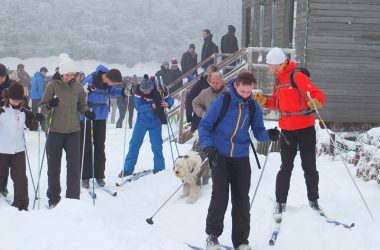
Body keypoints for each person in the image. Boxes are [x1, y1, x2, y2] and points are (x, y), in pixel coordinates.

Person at [199, 70, 279, 250]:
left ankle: (241, 241)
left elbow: (258, 131)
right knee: (220, 197)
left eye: (249, 92)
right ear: (236, 85)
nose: (245, 95)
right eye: (243, 91)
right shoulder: (223, 101)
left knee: (242, 200)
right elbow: (205, 126)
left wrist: (268, 134)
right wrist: (208, 147)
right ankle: (212, 237)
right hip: (220, 154)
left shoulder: (253, 106)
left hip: (241, 157)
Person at [253, 47, 326, 216]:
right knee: (285, 167)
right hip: (287, 129)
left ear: (276, 64)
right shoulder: (278, 80)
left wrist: (316, 101)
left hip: (305, 127)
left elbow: (317, 93)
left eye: (269, 65)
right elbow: (278, 104)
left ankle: (314, 201)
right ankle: (280, 202)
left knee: (309, 166)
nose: (268, 68)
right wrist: (264, 101)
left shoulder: (296, 75)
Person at [39, 53, 95, 208]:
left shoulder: (77, 86)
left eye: (73, 74)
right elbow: (42, 107)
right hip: (55, 131)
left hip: (73, 132)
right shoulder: (52, 86)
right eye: (67, 74)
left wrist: (87, 111)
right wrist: (50, 104)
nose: (71, 77)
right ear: (61, 73)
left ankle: (72, 200)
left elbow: (82, 104)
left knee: (74, 168)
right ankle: (54, 199)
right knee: (54, 168)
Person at [119, 75, 174, 177]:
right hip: (142, 122)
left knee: (157, 146)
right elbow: (138, 107)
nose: (145, 93)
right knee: (134, 145)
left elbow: (170, 99)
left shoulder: (159, 89)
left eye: (147, 91)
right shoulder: (139, 91)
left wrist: (168, 104)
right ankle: (127, 169)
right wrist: (151, 106)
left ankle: (159, 169)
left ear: (151, 88)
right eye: (143, 91)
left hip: (156, 123)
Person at [0, 83, 43, 210]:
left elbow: (33, 126)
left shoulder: (24, 111)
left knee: (20, 179)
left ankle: (21, 203)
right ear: (8, 97)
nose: (16, 103)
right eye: (14, 100)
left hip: (18, 150)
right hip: (1, 149)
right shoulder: (1, 109)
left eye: (19, 100)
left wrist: (37, 119)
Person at [80, 66, 123, 188]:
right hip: (88, 114)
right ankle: (85, 176)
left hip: (101, 116)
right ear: (108, 78)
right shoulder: (91, 79)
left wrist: (124, 92)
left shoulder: (109, 83)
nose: (113, 85)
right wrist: (85, 90)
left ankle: (99, 175)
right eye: (114, 83)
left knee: (100, 146)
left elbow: (114, 91)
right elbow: (79, 94)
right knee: (86, 146)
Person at [185, 65, 219, 132]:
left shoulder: (219, 85)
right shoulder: (200, 84)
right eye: (212, 76)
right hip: (199, 118)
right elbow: (189, 98)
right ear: (208, 75)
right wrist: (188, 114)